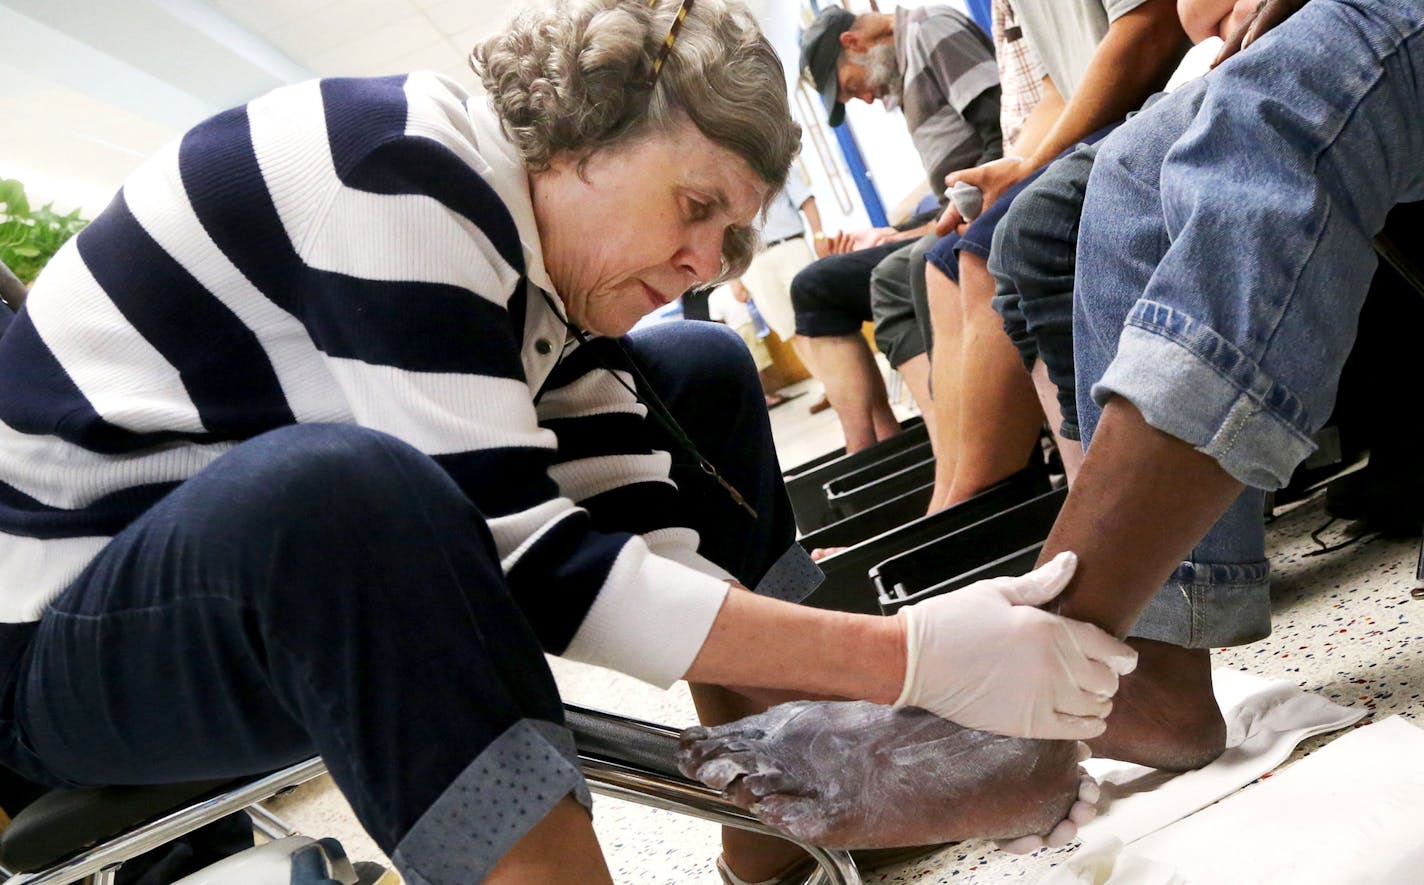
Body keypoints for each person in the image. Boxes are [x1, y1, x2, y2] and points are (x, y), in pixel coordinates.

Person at [0, 1, 1136, 883]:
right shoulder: (391, 165)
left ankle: (786, 807)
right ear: (579, 142)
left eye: (732, 231)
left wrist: (878, 713)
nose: (709, 261)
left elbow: (648, 545)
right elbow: (539, 569)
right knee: (345, 494)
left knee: (693, 371)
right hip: (60, 647)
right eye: (695, 207)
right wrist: (917, 659)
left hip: (229, 594)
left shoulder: (538, 267)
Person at [920, 0, 1187, 509]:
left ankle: (1085, 508)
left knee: (1015, 238)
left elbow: (1150, 28)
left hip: (1165, 98)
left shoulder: (930, 30)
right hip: (1107, 120)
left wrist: (1030, 170)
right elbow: (1053, 92)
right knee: (945, 258)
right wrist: (1016, 167)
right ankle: (953, 499)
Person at [791, 4, 1001, 452]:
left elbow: (1000, 137)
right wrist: (899, 231)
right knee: (819, 286)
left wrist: (919, 232)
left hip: (987, 208)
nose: (866, 99)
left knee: (882, 279)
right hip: (960, 209)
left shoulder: (931, 30)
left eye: (852, 87)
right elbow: (952, 189)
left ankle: (958, 450)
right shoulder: (909, 61)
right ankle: (880, 447)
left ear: (854, 43)